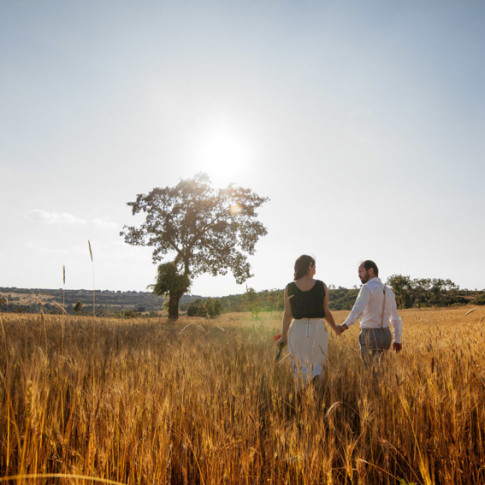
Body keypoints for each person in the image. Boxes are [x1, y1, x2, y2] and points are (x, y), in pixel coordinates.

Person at [277, 255, 339, 389]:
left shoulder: (289, 287)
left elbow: (287, 314)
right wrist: (336, 328)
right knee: (317, 366)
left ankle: (302, 400)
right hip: (318, 330)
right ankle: (316, 400)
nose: (315, 270)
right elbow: (326, 312)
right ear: (309, 266)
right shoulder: (321, 285)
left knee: (299, 367)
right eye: (314, 266)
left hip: (297, 329)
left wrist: (283, 336)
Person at [337, 260, 402, 366]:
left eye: (361, 271)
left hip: (370, 335)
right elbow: (395, 318)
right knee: (381, 371)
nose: (359, 275)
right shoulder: (389, 291)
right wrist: (397, 339)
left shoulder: (367, 287)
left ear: (371, 271)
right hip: (386, 335)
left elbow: (357, 310)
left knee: (370, 373)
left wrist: (344, 327)